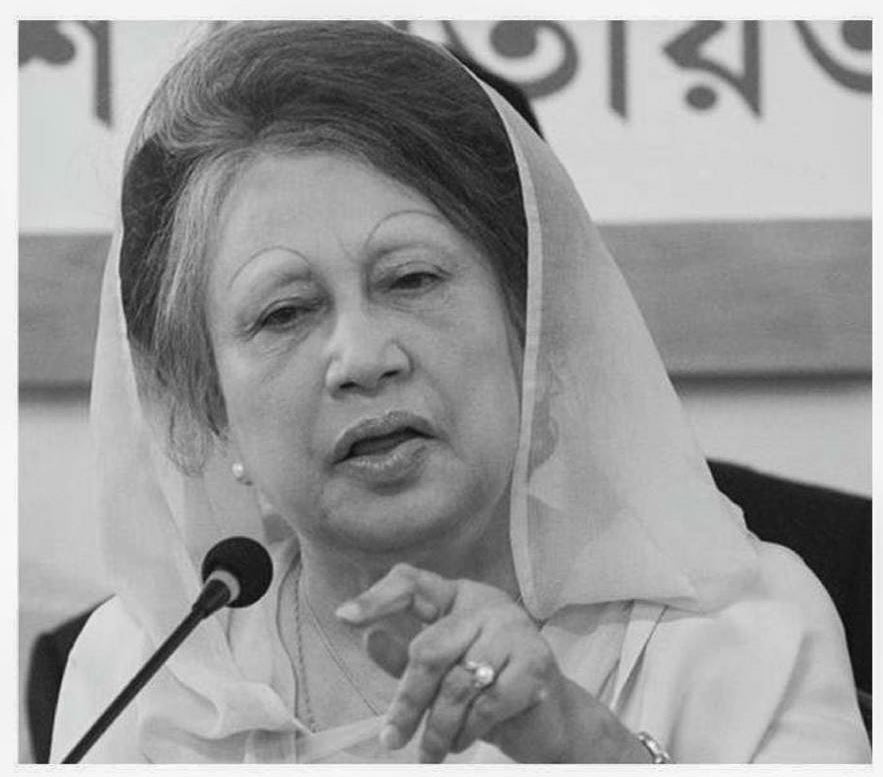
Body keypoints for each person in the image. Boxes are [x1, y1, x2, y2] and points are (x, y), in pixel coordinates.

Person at [49, 21, 870, 763]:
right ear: (208, 404)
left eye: (411, 278)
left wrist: (591, 749)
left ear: (531, 321)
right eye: (285, 312)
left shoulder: (742, 635)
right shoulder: (148, 672)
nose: (362, 358)